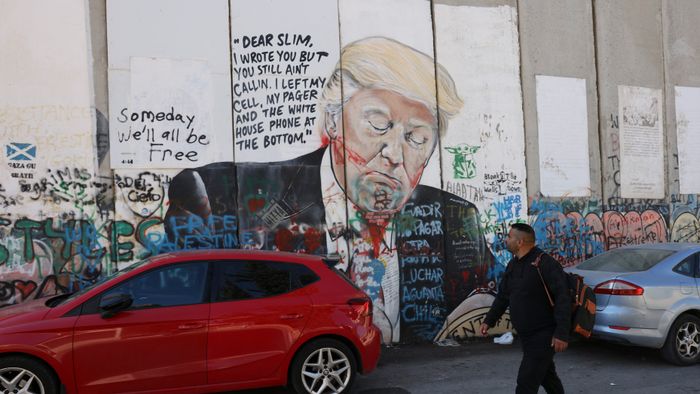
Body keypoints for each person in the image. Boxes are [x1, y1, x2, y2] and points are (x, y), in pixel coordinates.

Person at [165, 37, 495, 344]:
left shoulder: (455, 217)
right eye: (379, 125)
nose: (394, 154)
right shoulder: (219, 195)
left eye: (417, 138)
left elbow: (491, 304)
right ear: (333, 122)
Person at [479, 223, 570, 394]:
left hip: (544, 334)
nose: (506, 240)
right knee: (546, 376)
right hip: (527, 335)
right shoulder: (513, 265)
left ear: (520, 242)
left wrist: (561, 333)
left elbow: (562, 298)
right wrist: (489, 320)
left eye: (509, 237)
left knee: (526, 382)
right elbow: (503, 296)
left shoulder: (545, 264)